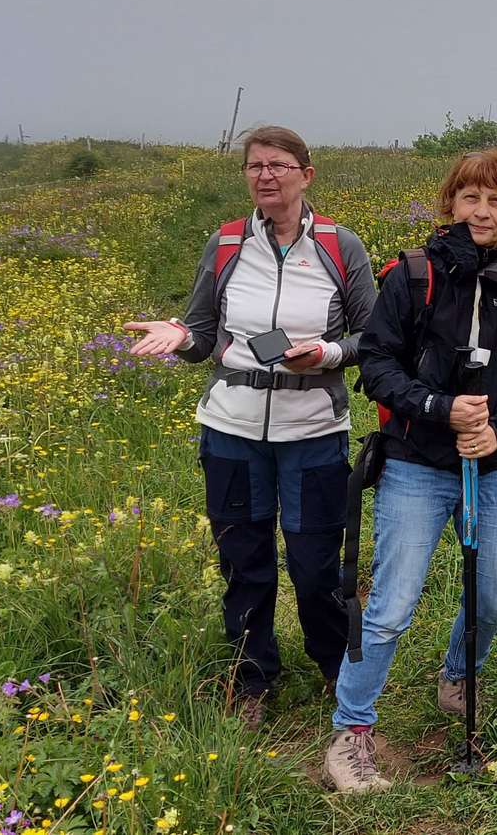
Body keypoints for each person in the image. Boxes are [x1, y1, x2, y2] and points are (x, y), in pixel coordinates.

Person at [323, 149, 497, 794]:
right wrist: (439, 408)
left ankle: (458, 675)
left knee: (491, 598)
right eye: (471, 197)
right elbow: (377, 363)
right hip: (416, 464)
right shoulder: (412, 274)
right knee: (392, 604)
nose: (482, 211)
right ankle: (352, 730)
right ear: (451, 202)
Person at [123, 125, 375, 725]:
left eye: (279, 165)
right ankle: (253, 677)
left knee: (315, 563)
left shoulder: (340, 246)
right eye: (255, 165)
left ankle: (337, 669)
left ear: (306, 175)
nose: (266, 175)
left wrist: (328, 353)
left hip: (313, 430)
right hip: (232, 429)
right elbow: (201, 333)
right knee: (243, 558)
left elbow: (374, 335)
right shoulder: (227, 243)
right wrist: (179, 337)